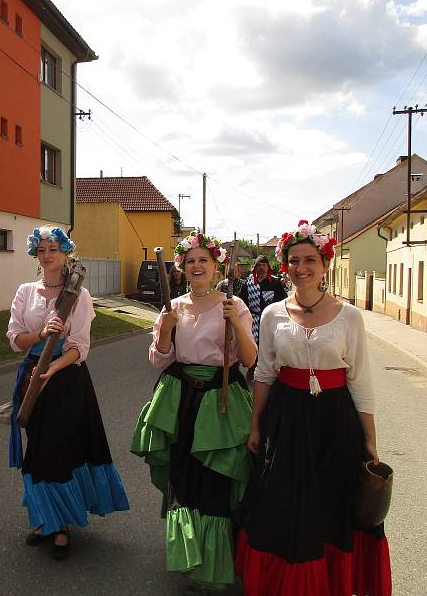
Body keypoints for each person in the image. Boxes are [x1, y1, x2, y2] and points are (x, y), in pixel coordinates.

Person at [236, 220, 391, 595]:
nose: (301, 268)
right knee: (282, 505)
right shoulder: (272, 314)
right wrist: (256, 427)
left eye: (309, 260)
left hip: (335, 424)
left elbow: (360, 381)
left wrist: (370, 441)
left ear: (325, 265)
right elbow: (264, 374)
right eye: (293, 261)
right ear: (283, 265)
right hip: (286, 419)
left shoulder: (349, 316)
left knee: (330, 506)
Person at [131, 230, 257, 589]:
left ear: (216, 266)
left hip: (222, 401)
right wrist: (165, 331)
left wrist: (235, 322)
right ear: (181, 268)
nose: (197, 266)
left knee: (216, 479)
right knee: (184, 478)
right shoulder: (173, 308)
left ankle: (215, 565)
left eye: (204, 259)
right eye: (191, 261)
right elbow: (159, 359)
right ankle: (190, 556)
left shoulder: (234, 305)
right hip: (183, 402)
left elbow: (250, 359)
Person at [6, 226, 129, 560]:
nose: (47, 256)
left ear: (66, 254)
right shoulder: (25, 292)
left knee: (58, 447)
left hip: (65, 378)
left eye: (54, 250)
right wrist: (41, 334)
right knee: (37, 448)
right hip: (32, 375)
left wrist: (52, 370)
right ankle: (45, 517)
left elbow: (79, 346)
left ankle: (60, 524)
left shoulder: (78, 295)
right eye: (42, 250)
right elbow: (15, 337)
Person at [239, 254, 287, 345]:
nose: (261, 267)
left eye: (264, 265)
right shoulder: (248, 283)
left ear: (268, 267)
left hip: (272, 321)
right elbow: (242, 303)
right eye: (259, 265)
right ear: (255, 267)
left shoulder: (275, 282)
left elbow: (283, 301)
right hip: (253, 322)